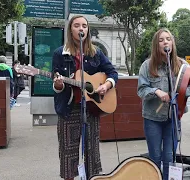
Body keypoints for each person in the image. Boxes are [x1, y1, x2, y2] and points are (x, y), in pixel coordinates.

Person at [52, 15, 118, 180]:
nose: (81, 28)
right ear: (70, 29)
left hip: (91, 108)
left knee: (92, 153)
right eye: (77, 25)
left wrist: (106, 85)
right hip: (69, 109)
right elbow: (57, 86)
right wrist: (59, 84)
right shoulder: (60, 54)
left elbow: (112, 72)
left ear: (87, 30)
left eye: (84, 26)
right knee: (68, 154)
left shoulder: (96, 53)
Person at [137, 28, 190, 180]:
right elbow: (141, 90)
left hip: (173, 118)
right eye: (161, 40)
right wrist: (156, 92)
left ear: (172, 43)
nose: (165, 42)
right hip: (153, 118)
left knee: (170, 158)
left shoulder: (183, 65)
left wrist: (179, 94)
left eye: (168, 39)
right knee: (155, 157)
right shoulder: (147, 65)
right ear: (156, 45)